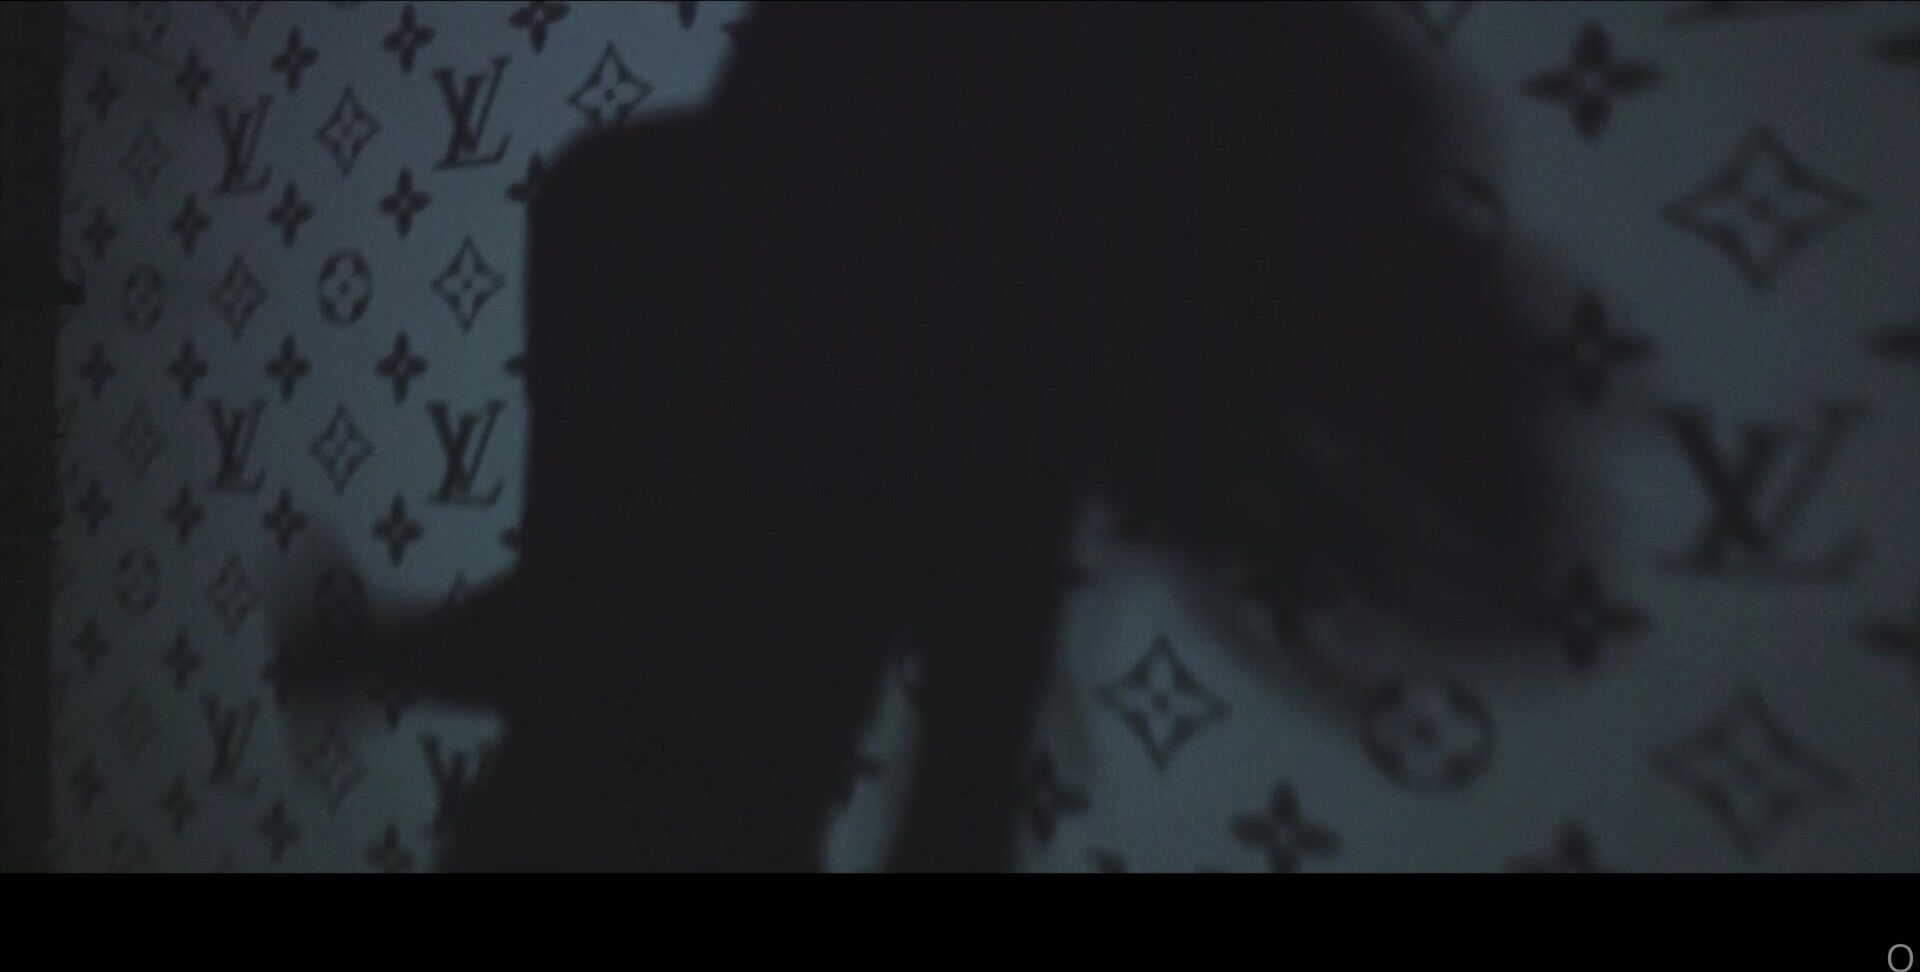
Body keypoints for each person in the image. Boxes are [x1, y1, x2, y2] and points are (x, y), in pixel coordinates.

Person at [275, 1, 1577, 872]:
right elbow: (948, 793)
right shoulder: (990, 360)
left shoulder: (632, 207)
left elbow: (591, 630)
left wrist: (377, 652)